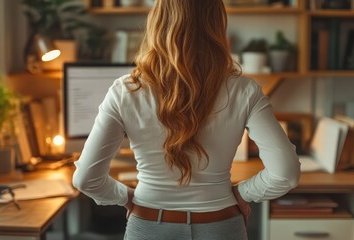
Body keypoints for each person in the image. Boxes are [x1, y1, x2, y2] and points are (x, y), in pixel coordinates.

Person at [72, 0, 300, 239]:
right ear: (216, 24)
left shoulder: (125, 91)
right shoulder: (245, 90)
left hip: (149, 225)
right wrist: (242, 194)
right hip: (220, 225)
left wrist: (127, 197)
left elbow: (86, 178)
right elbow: (286, 172)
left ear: (157, 22)